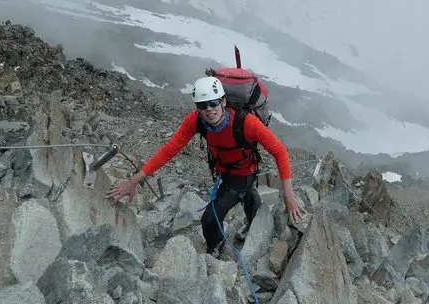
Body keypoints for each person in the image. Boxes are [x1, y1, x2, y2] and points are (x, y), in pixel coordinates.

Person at [106, 75, 306, 256]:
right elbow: (169, 150)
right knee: (248, 196)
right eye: (202, 105)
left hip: (243, 174)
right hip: (224, 172)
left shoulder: (246, 123)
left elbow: (280, 151)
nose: (208, 109)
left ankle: (215, 250)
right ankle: (254, 222)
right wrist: (134, 181)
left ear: (223, 102)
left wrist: (288, 195)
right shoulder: (196, 121)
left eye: (213, 103)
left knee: (211, 220)